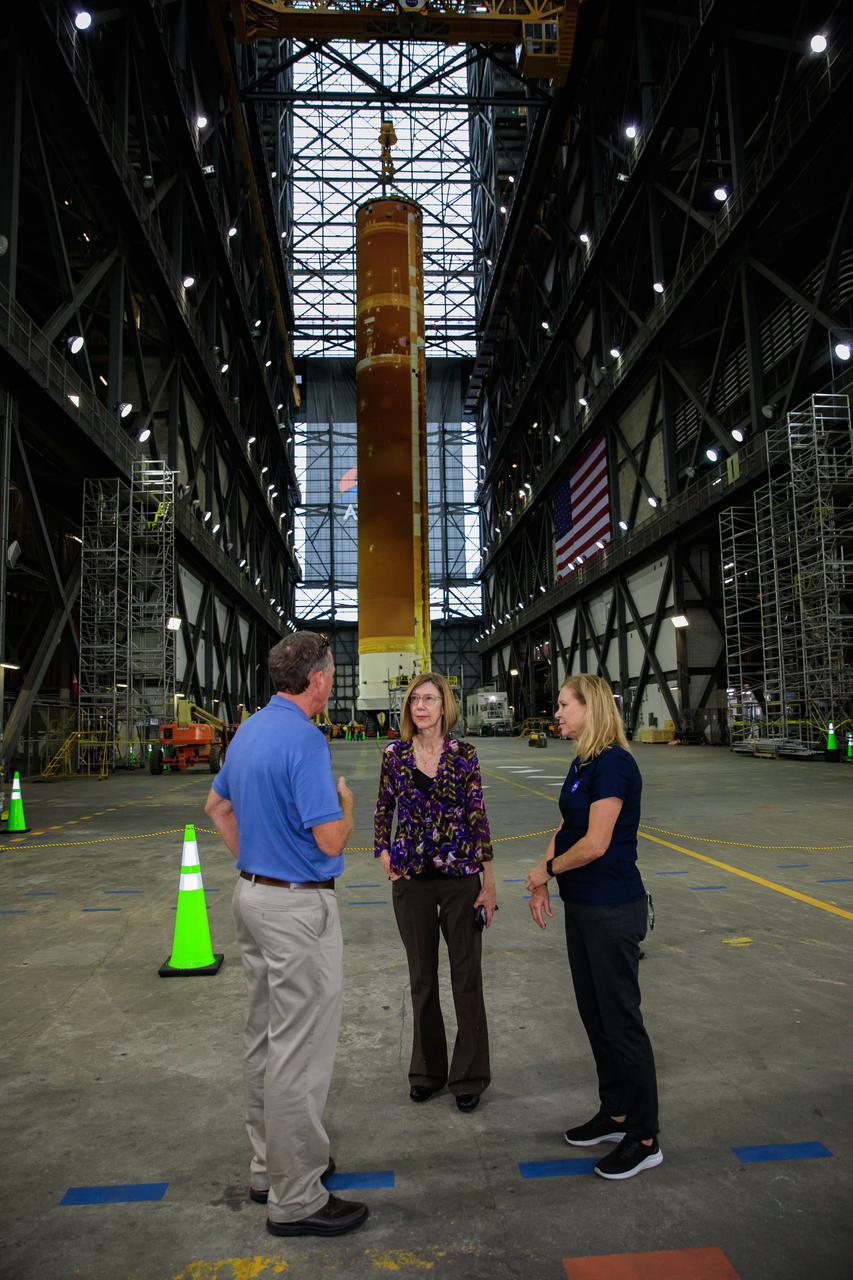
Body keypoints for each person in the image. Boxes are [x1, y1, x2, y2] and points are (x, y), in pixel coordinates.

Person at [205, 632, 369, 1237]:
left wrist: (256, 862)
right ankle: (297, 1196)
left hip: (252, 897)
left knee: (265, 1039)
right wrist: (348, 806)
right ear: (320, 679)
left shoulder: (247, 730)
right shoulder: (305, 739)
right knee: (299, 1050)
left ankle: (266, 1166)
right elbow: (329, 839)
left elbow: (216, 806)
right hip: (297, 910)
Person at [525, 674, 661, 1180]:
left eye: (564, 705)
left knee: (622, 1021)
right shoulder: (581, 762)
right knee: (595, 1015)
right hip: (582, 907)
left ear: (591, 708)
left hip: (611, 907)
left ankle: (645, 1137)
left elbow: (597, 841)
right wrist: (544, 878)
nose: (556, 712)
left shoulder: (614, 766)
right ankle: (616, 1111)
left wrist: (547, 872)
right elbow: (566, 828)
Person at [374, 672, 496, 1112]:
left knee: (467, 978)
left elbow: (477, 815)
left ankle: (470, 1076)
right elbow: (383, 807)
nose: (419, 706)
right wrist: (383, 853)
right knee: (421, 980)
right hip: (411, 883)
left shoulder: (465, 755)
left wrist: (490, 881)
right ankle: (427, 1071)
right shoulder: (395, 755)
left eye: (428, 699)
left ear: (445, 706)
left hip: (461, 878)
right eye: (414, 700)